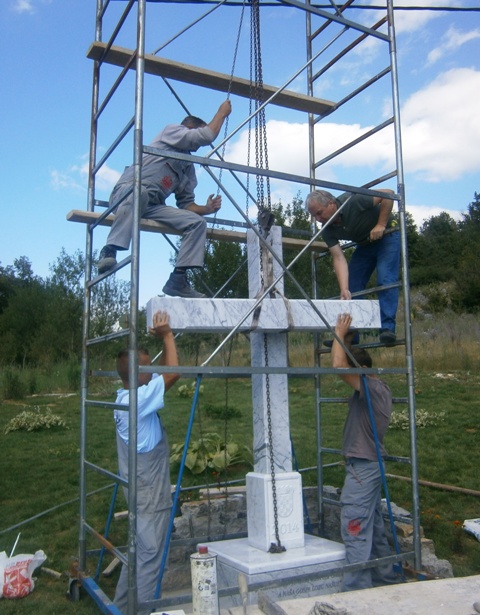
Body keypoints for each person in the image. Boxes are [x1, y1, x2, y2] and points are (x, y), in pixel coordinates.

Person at [98, 99, 232, 299]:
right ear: (188, 128)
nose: (196, 144)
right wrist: (221, 113)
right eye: (194, 135)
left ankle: (177, 280)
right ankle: (109, 251)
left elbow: (186, 204)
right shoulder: (172, 132)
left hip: (153, 205)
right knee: (139, 192)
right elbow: (206, 136)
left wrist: (206, 208)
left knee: (196, 223)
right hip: (128, 193)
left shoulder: (187, 166)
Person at [113, 310, 180, 614]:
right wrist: (167, 336)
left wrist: (165, 342)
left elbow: (163, 374)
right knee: (151, 557)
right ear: (138, 375)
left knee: (138, 553)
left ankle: (121, 608)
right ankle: (142, 611)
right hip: (149, 494)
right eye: (148, 368)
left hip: (136, 488)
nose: (153, 371)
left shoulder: (123, 397)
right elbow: (173, 374)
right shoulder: (138, 401)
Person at [332, 312, 400, 592]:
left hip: (364, 468)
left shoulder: (371, 387)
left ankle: (355, 593)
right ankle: (388, 580)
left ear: (359, 369)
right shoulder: (375, 388)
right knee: (376, 530)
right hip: (367, 466)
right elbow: (343, 361)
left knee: (355, 526)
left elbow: (338, 365)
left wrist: (338, 331)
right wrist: (345, 337)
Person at [306, 188, 400, 346]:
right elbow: (338, 257)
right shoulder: (328, 230)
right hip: (365, 244)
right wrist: (344, 288)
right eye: (314, 215)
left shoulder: (353, 201)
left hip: (387, 235)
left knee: (385, 279)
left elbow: (388, 194)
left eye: (319, 213)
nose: (318, 219)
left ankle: (387, 329)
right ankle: (350, 336)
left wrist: (381, 224)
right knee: (352, 287)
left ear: (331, 203)